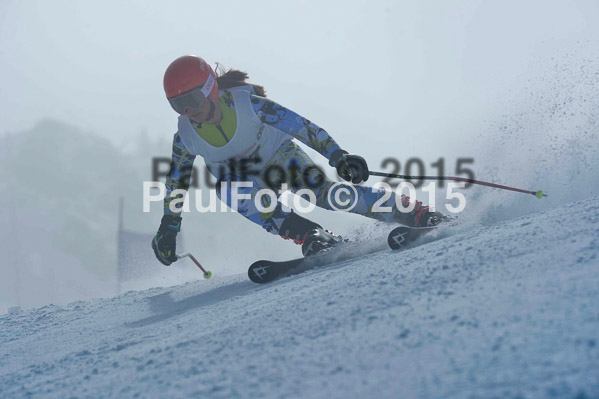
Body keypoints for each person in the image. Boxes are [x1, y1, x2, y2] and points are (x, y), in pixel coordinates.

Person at [152, 55, 446, 265]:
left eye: (190, 101)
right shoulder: (186, 136)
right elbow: (177, 181)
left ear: (209, 89)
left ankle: (413, 213)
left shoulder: (249, 105)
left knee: (327, 196)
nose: (188, 112)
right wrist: (169, 226)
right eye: (177, 105)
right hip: (245, 179)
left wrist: (338, 156)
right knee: (227, 190)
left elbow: (302, 127)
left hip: (281, 160)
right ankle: (311, 235)